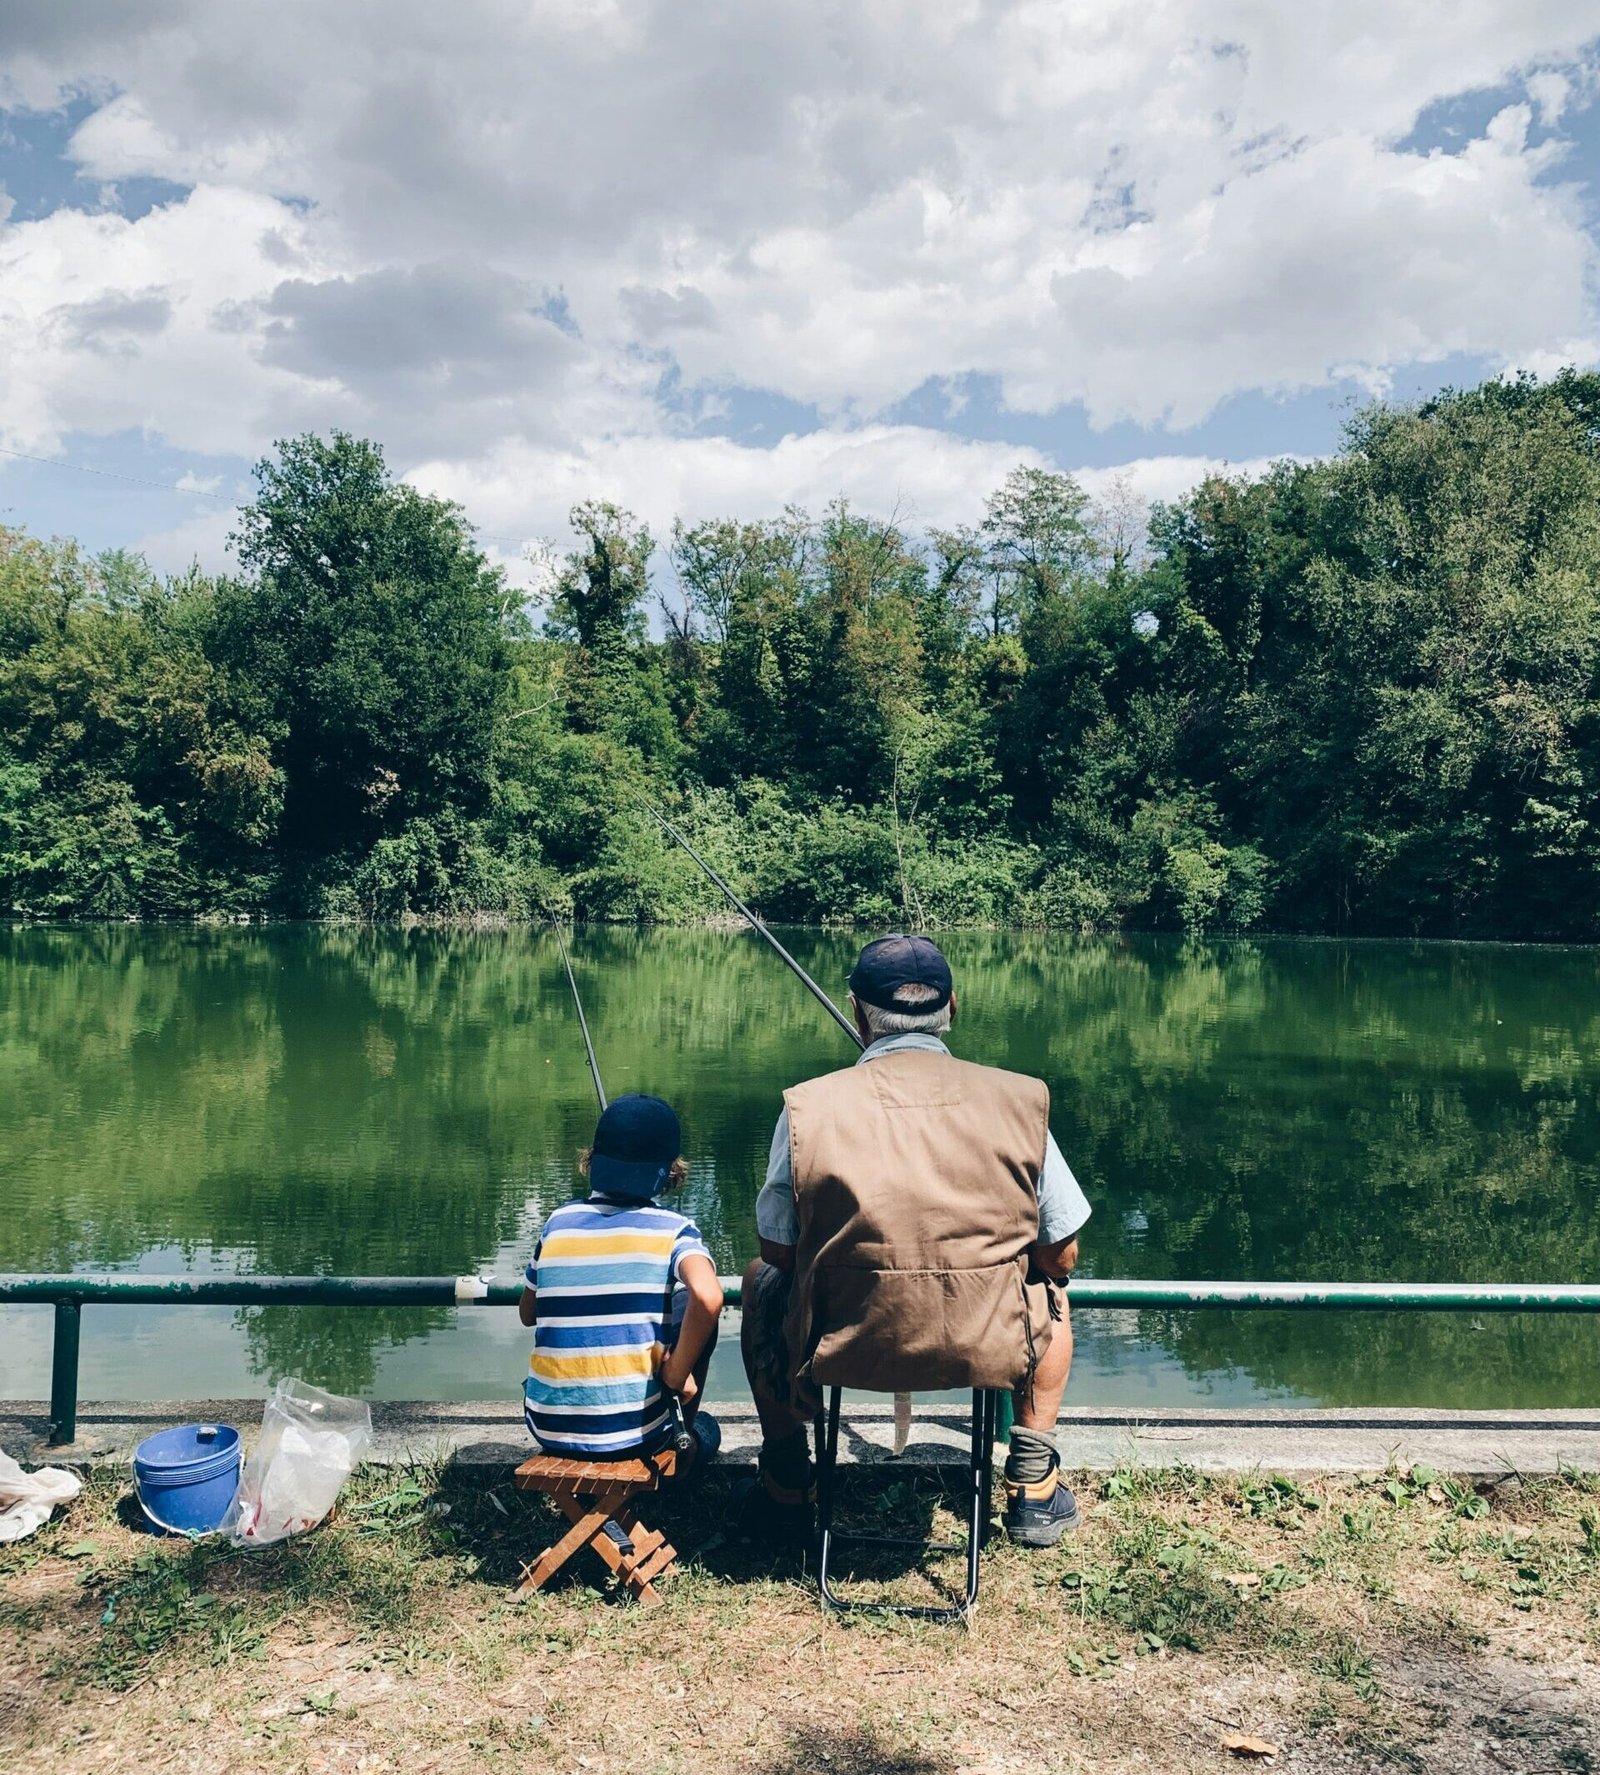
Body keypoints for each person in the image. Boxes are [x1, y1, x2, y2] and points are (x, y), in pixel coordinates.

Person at [741, 934, 1090, 1547]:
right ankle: (1033, 1487)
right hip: (986, 1342)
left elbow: (777, 1252)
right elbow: (1060, 1254)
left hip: (842, 1343)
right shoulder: (1019, 1100)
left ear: (856, 1012)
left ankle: (788, 1481)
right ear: (953, 1006)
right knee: (1053, 1294)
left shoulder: (806, 1109)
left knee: (759, 1283)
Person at [520, 1094, 723, 1478]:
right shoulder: (674, 1230)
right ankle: (681, 1453)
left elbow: (527, 1314)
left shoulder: (558, 1222)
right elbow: (709, 1297)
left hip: (548, 1428)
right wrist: (677, 1372)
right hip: (635, 1437)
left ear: (592, 1162)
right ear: (669, 1174)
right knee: (709, 1429)